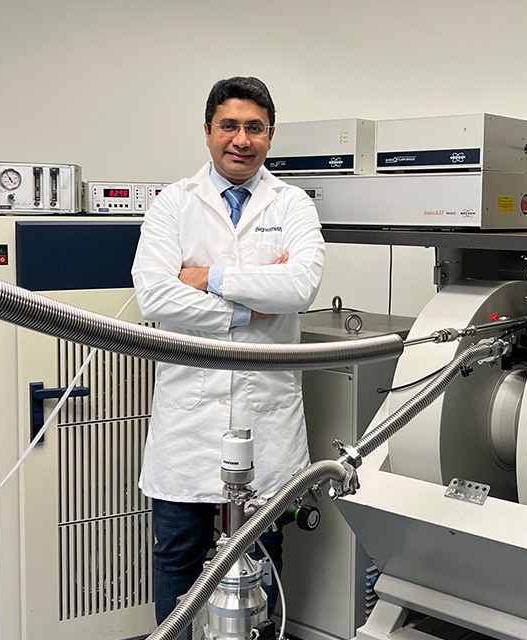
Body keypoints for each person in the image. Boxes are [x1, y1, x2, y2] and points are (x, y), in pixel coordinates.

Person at [131, 76, 325, 625]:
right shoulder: (174, 203)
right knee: (177, 554)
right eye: (229, 126)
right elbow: (154, 294)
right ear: (208, 131)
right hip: (188, 418)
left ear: (270, 135)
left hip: (266, 413)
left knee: (264, 554)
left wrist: (206, 277)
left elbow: (300, 287)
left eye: (254, 128)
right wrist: (248, 308)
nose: (241, 140)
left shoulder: (292, 204)